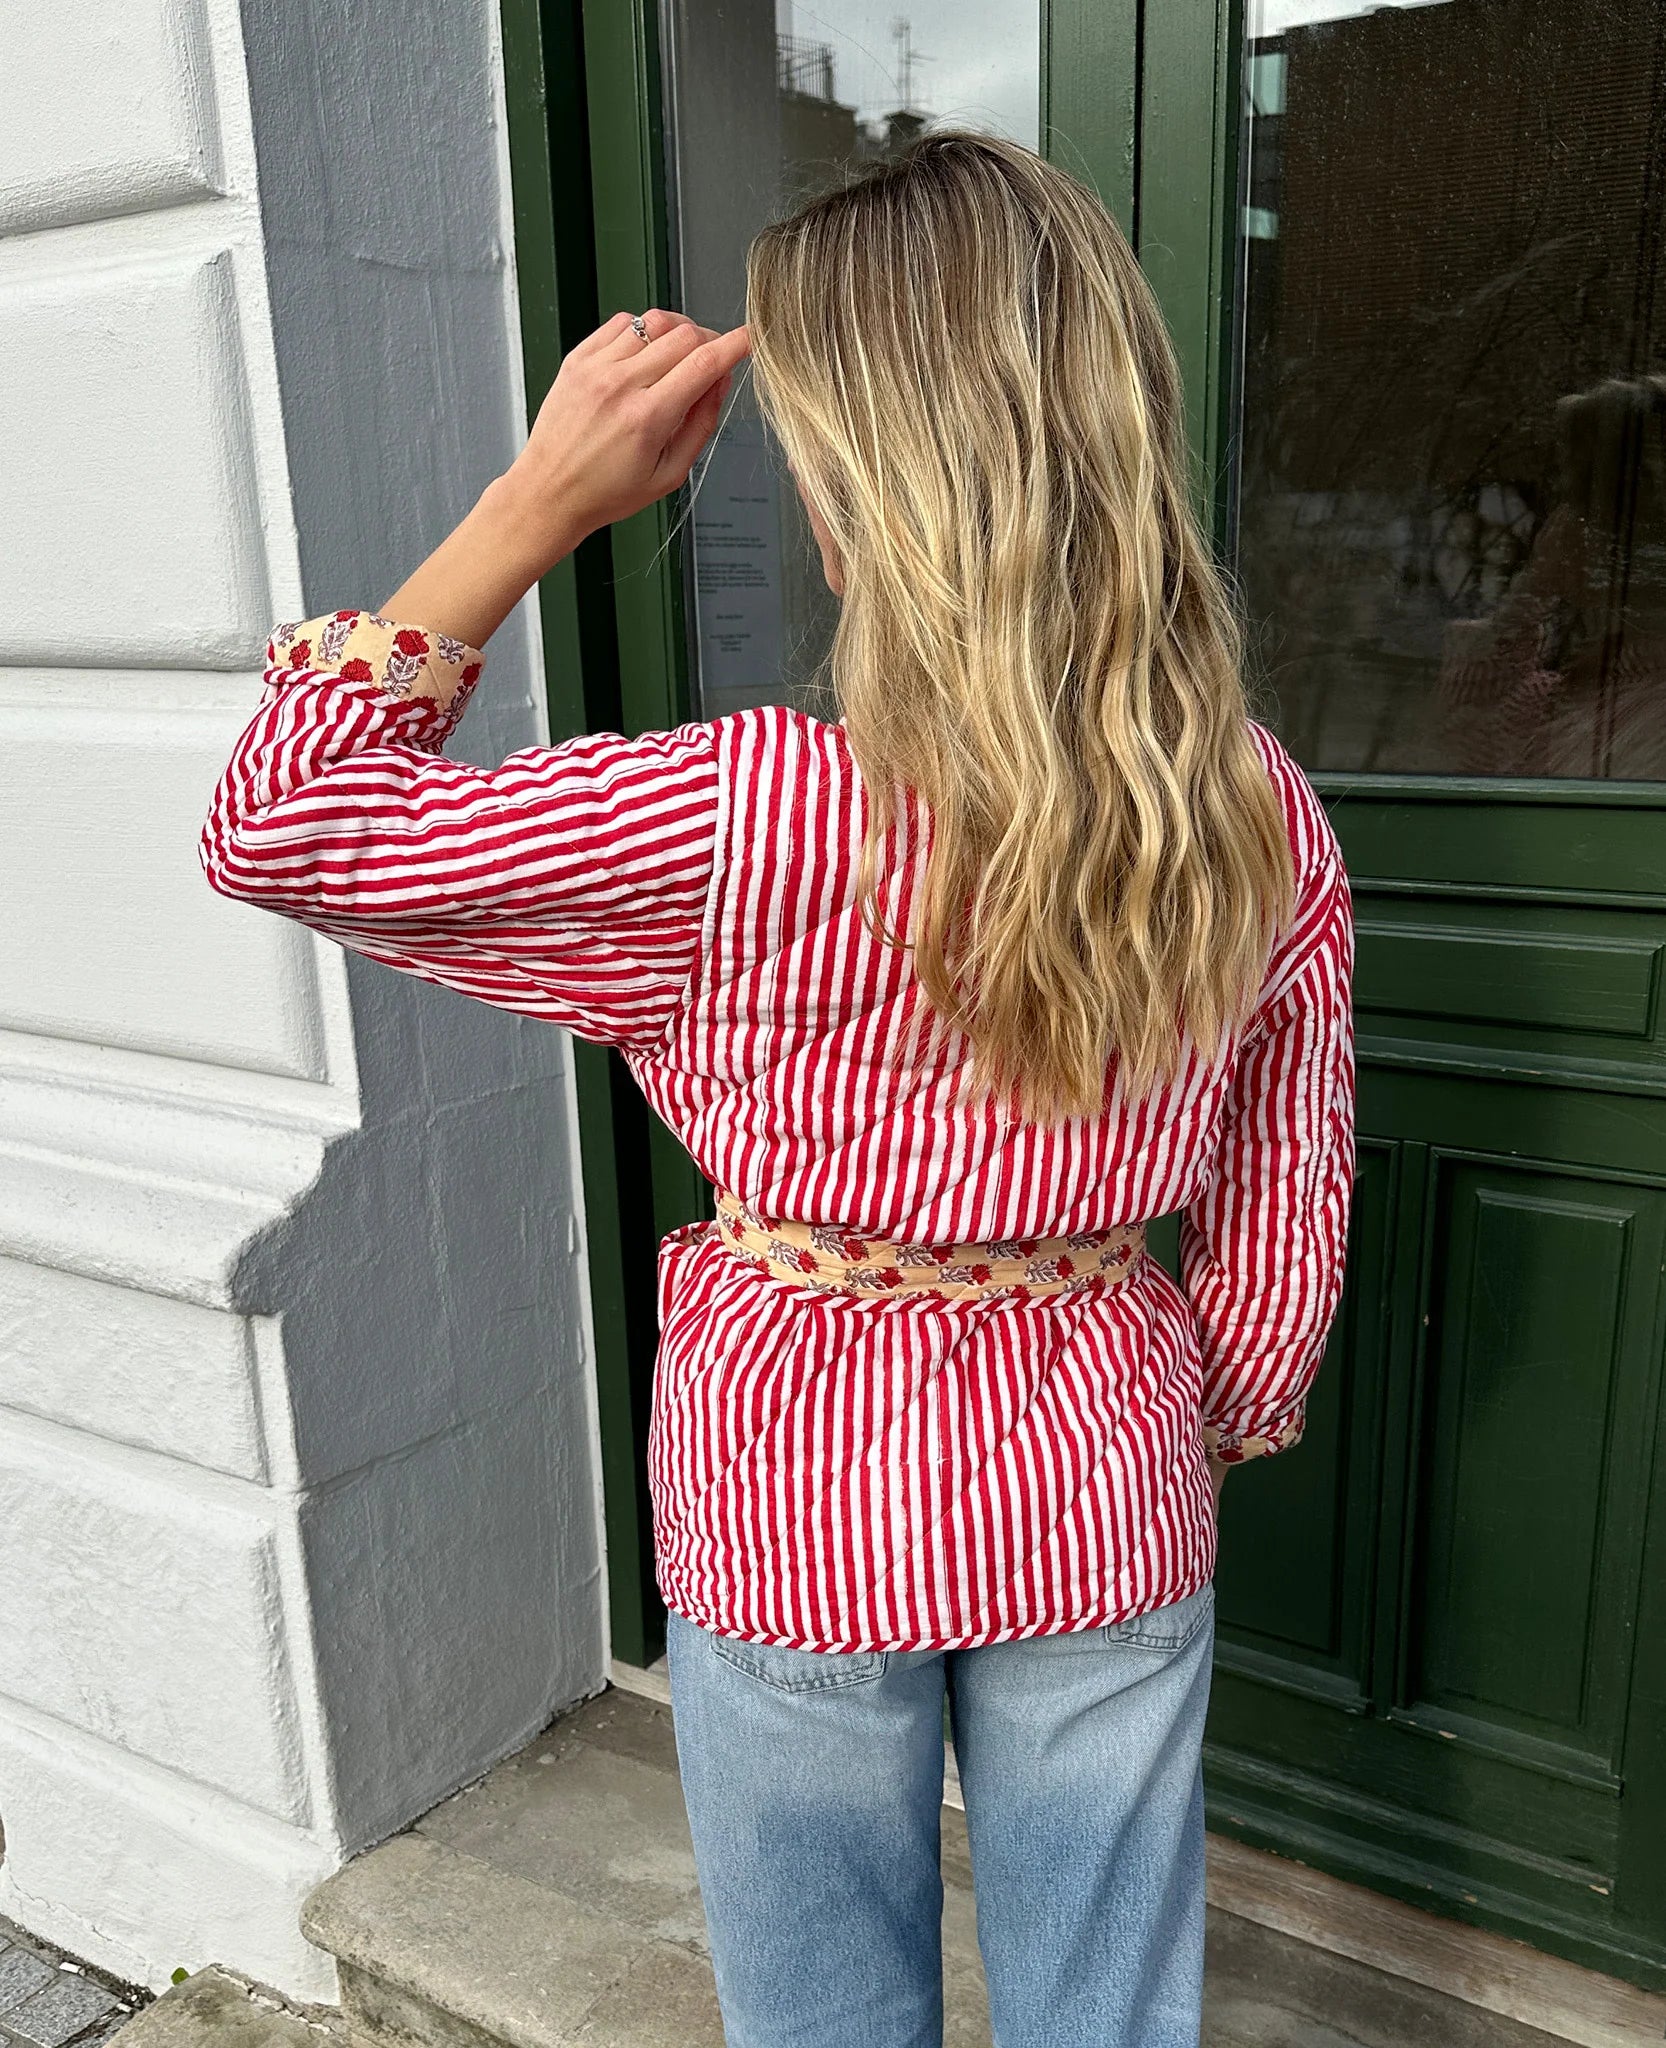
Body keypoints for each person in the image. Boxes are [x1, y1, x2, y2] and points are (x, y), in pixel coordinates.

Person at [202, 134, 1354, 2048]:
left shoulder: (733, 814)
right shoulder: (1244, 804)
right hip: (1104, 1454)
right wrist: (1206, 1406)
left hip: (789, 1477)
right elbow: (1281, 1175)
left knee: (819, 2009)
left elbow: (284, 821)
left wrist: (532, 502)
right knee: (1109, 2001)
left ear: (852, 484)